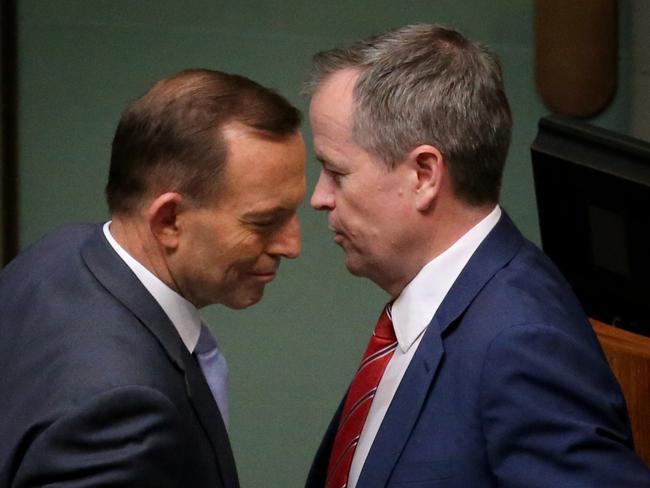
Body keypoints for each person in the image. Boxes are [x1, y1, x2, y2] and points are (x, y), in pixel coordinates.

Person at [304, 24, 650, 487]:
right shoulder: (438, 308)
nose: (319, 197)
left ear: (424, 175)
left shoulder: (521, 340)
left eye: (336, 172)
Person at [0, 68, 306, 487]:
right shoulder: (125, 410)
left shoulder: (59, 256)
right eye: (265, 221)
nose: (292, 245)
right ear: (169, 220)